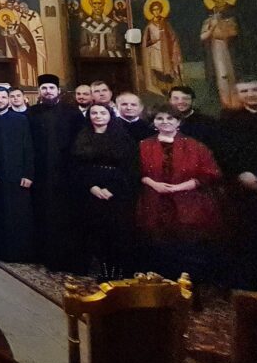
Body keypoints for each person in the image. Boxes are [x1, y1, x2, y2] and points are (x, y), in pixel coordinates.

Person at [138, 105, 222, 285]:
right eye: (160, 118)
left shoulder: (196, 146)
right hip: (154, 202)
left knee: (187, 249)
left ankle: (188, 289)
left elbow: (209, 173)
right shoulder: (143, 145)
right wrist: (154, 184)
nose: (165, 122)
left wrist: (180, 187)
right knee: (158, 248)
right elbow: (135, 172)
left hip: (188, 203)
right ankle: (161, 289)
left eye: (170, 118)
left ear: (179, 122)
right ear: (154, 122)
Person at [72, 104, 139, 280]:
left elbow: (130, 166)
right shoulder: (82, 135)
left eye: (102, 113)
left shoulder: (122, 137)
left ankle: (117, 269)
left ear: (110, 116)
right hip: (90, 189)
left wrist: (113, 189)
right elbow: (77, 166)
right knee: (96, 231)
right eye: (94, 113)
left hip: (117, 189)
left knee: (116, 231)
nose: (98, 116)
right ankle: (103, 270)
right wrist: (92, 187)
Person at [217, 77, 257, 289]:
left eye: (255, 89)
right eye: (244, 91)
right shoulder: (230, 119)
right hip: (240, 190)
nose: (250, 94)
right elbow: (223, 152)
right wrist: (240, 175)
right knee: (245, 239)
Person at [27, 74, 82, 270]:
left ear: (58, 91)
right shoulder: (31, 113)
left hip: (64, 173)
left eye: (51, 88)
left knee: (64, 216)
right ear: (39, 91)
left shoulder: (72, 113)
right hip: (41, 173)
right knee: (41, 213)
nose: (48, 91)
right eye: (44, 88)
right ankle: (42, 255)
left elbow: (79, 144)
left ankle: (64, 257)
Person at [0, 86, 35, 262]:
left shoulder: (20, 120)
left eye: (3, 97)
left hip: (16, 174)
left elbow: (28, 148)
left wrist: (28, 174)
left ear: (8, 99)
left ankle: (16, 253)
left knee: (16, 215)